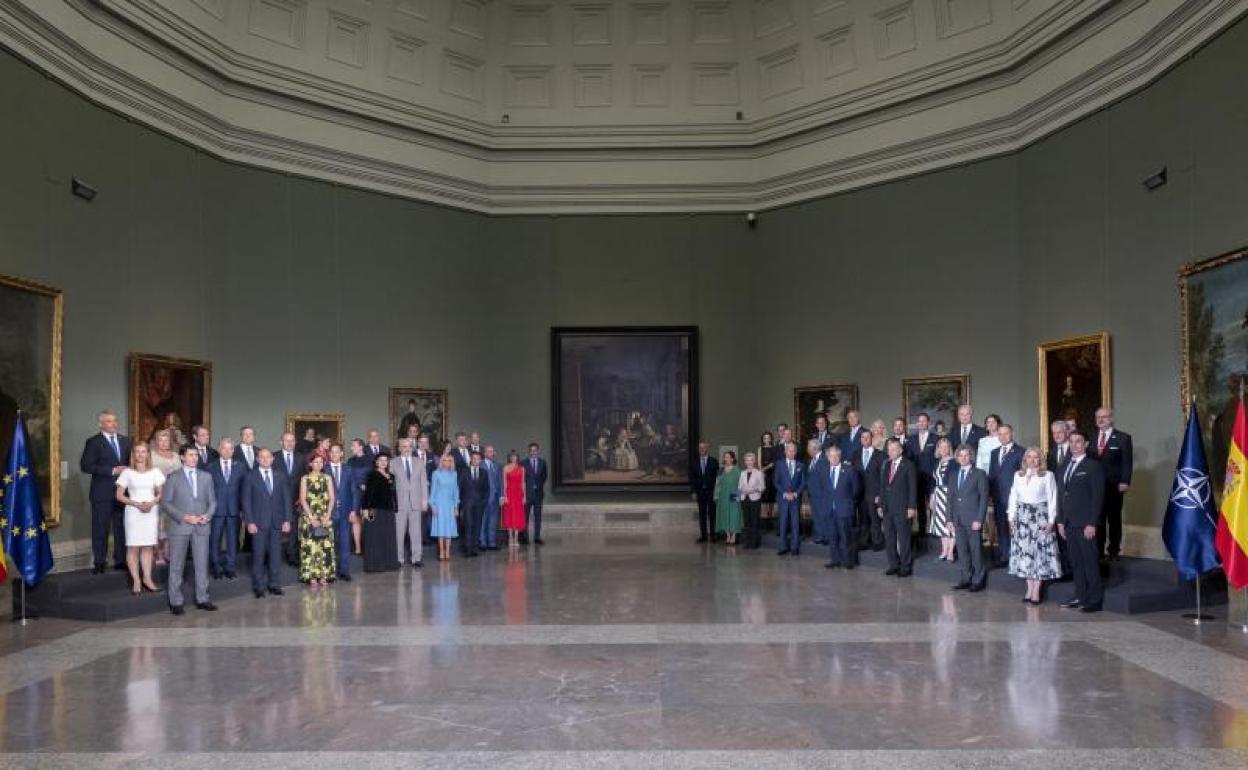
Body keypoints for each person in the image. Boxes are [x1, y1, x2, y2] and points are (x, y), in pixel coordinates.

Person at [161, 445, 217, 614]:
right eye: (191, 455)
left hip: (202, 525)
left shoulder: (206, 476)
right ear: (182, 457)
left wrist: (208, 515)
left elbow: (213, 501)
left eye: (196, 455)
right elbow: (165, 503)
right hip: (180, 526)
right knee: (176, 565)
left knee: (202, 564)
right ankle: (176, 601)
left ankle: (203, 598)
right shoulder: (173, 477)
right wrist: (184, 517)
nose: (194, 458)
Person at [1058, 431, 1105, 612]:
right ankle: (1080, 596)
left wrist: (1092, 523)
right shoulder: (1064, 466)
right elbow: (1061, 495)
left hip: (1085, 524)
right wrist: (1060, 521)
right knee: (1076, 563)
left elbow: (1098, 497)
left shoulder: (1093, 466)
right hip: (1069, 523)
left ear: (1085, 444)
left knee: (1089, 562)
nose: (1074, 445)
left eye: (1078, 442)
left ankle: (1094, 600)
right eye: (1071, 442)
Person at [80, 409, 132, 574]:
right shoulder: (93, 442)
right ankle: (100, 562)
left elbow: (132, 462)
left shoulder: (126, 440)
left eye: (115, 420)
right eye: (109, 421)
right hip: (101, 493)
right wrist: (111, 470)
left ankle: (121, 560)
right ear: (101, 424)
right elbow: (86, 466)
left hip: (123, 493)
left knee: (121, 528)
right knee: (100, 529)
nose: (114, 424)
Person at [1008, 446, 1061, 604]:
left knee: (1038, 554)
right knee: (1025, 554)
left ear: (1040, 459)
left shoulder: (1048, 475)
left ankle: (1036, 591)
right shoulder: (1018, 475)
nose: (1032, 460)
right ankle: (1029, 589)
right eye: (1029, 457)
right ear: (1025, 459)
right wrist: (1011, 517)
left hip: (1040, 517)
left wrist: (1051, 521)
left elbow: (1052, 498)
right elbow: (1013, 496)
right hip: (1022, 518)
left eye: (1035, 457)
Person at [114, 443, 164, 594]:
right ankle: (136, 580)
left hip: (150, 512)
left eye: (143, 452)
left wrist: (151, 503)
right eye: (137, 452)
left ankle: (147, 579)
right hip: (133, 513)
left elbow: (160, 494)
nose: (141, 454)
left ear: (148, 454)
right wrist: (136, 504)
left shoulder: (155, 472)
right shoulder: (127, 472)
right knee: (133, 547)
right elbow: (119, 495)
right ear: (133, 454)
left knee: (148, 546)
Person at [244, 449, 291, 598]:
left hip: (277, 522)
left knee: (275, 556)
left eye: (268, 457)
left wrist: (287, 520)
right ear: (257, 459)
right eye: (262, 457)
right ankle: (258, 587)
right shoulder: (250, 476)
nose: (265, 459)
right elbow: (246, 501)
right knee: (258, 556)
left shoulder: (280, 476)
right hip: (258, 523)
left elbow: (286, 499)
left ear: (272, 459)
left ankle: (274, 585)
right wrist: (249, 522)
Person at [1089, 407, 1133, 561]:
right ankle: (1099, 551)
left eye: (1104, 417)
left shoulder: (1123, 438)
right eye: (1098, 417)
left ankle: (1114, 550)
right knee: (1098, 518)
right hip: (1095, 487)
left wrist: (1125, 481)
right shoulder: (1091, 438)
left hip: (1114, 486)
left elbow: (1127, 462)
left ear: (1111, 419)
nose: (1101, 420)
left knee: (1114, 519)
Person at [947, 444, 990, 592]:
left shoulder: (979, 474)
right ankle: (966, 578)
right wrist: (949, 519)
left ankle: (978, 580)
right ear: (957, 458)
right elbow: (950, 499)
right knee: (962, 551)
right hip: (957, 519)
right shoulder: (953, 475)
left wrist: (979, 519)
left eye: (966, 455)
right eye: (961, 455)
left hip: (973, 519)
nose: (963, 458)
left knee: (975, 550)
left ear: (971, 457)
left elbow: (984, 498)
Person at [205, 438, 245, 580]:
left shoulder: (241, 467)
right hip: (216, 510)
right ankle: (216, 567)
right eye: (224, 448)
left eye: (230, 448)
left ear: (233, 451)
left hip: (234, 510)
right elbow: (207, 491)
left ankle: (230, 568)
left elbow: (244, 490)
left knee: (232, 541)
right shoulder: (210, 467)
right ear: (219, 449)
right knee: (214, 540)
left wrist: (243, 509)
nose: (227, 451)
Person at [988, 423, 1024, 568]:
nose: (1003, 436)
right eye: (1000, 434)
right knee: (1001, 528)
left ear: (1012, 433)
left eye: (1006, 433)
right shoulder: (994, 452)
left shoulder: (1021, 452)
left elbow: (1023, 476)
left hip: (1014, 498)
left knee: (1015, 528)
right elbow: (992, 476)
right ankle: (1005, 556)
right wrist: (990, 495)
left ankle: (1018, 557)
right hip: (998, 498)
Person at [879, 438, 917, 577]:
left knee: (903, 538)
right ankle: (893, 565)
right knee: (889, 538)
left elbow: (913, 487)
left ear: (900, 450)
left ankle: (905, 566)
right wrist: (880, 505)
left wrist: (911, 507)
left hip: (902, 508)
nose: (891, 452)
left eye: (894, 449)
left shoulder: (909, 465)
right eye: (889, 450)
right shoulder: (886, 465)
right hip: (887, 508)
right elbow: (883, 487)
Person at [298, 454, 337, 587]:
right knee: (310, 547)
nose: (318, 464)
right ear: (310, 464)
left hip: (325, 516)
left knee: (325, 547)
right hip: (309, 516)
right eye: (316, 462)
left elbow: (332, 498)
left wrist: (328, 515)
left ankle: (324, 575)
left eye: (321, 462)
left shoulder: (327, 478)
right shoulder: (305, 478)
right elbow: (302, 499)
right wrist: (311, 517)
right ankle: (311, 576)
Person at [821, 445, 859, 570]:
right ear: (828, 457)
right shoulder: (823, 470)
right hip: (829, 510)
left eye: (836, 456)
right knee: (832, 537)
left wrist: (847, 501)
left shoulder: (849, 470)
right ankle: (835, 560)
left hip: (844, 509)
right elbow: (823, 489)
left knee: (845, 537)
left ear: (840, 456)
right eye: (831, 456)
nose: (834, 458)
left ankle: (848, 561)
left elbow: (856, 490)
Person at [360, 453, 399, 572]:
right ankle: (374, 565)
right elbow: (368, 494)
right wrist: (365, 509)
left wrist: (395, 507)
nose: (383, 462)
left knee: (387, 537)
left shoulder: (391, 476)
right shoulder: (372, 474)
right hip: (373, 510)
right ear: (376, 462)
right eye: (380, 460)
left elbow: (393, 493)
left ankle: (388, 564)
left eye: (385, 460)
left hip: (388, 511)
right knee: (374, 537)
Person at [393, 438, 429, 568]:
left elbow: (423, 483)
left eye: (409, 446)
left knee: (416, 532)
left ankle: (416, 558)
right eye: (404, 446)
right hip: (399, 503)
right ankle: (399, 559)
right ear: (399, 448)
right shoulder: (393, 463)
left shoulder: (419, 462)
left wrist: (425, 500)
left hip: (416, 502)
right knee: (399, 532)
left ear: (412, 448)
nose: (407, 449)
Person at [148, 428, 181, 565]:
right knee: (158, 525)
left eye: (166, 440)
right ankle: (158, 554)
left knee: (171, 525)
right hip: (156, 494)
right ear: (156, 442)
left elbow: (181, 475)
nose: (163, 443)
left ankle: (168, 553)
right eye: (160, 440)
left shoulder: (176, 455)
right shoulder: (151, 455)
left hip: (174, 496)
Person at [326, 443, 357, 581]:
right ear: (329, 454)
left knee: (345, 542)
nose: (334, 454)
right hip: (329, 512)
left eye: (337, 451)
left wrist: (353, 510)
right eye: (332, 452)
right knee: (329, 542)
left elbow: (354, 491)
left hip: (346, 511)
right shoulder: (324, 469)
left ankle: (344, 571)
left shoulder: (349, 469)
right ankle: (330, 571)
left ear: (342, 454)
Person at [907, 413, 939, 546]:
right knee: (920, 505)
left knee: (933, 504)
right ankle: (922, 531)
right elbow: (908, 458)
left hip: (932, 476)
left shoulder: (936, 438)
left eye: (924, 421)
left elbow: (938, 458)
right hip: (917, 477)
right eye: (919, 421)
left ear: (928, 423)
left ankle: (934, 530)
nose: (921, 423)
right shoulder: (911, 439)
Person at [275, 431, 306, 566]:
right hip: (276, 501)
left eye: (292, 440)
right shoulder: (273, 457)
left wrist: (301, 497)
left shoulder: (301, 458)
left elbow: (305, 478)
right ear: (281, 442)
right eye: (287, 440)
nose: (289, 443)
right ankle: (274, 557)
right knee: (276, 530)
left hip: (295, 500)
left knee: (293, 530)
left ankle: (292, 556)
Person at [852, 428, 884, 552]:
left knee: (875, 519)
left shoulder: (880, 455)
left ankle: (877, 542)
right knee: (863, 519)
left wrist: (880, 494)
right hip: (860, 494)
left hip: (874, 494)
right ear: (860, 440)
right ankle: (864, 541)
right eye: (863, 437)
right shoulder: (855, 455)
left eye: (867, 437)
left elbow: (883, 477)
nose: (865, 439)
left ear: (872, 439)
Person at [774, 441, 805, 556]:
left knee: (795, 523)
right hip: (783, 498)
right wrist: (785, 493)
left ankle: (794, 547)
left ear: (795, 452)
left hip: (795, 498)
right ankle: (783, 546)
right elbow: (776, 482)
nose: (791, 453)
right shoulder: (779, 464)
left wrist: (796, 493)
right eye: (789, 451)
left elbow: (803, 482)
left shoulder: (800, 465)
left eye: (793, 451)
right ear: (785, 451)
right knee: (783, 522)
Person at [928, 438, 956, 561]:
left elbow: (956, 481)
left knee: (951, 523)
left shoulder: (954, 462)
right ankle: (944, 550)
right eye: (941, 447)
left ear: (949, 448)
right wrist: (932, 496)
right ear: (938, 449)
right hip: (938, 495)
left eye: (946, 447)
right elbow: (933, 482)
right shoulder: (936, 463)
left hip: (950, 495)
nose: (943, 449)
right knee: (940, 524)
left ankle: (951, 551)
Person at [458, 450, 489, 558]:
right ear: (471, 459)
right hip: (467, 504)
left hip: (479, 505)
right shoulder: (464, 472)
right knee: (468, 525)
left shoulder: (484, 472)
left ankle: (474, 549)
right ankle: (467, 549)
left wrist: (484, 502)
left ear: (480, 460)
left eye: (478, 459)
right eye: (474, 458)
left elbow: (487, 490)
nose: (476, 460)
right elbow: (459, 488)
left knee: (477, 526)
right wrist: (461, 504)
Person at [430, 454, 460, 561]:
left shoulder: (454, 474)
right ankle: (442, 551)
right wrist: (433, 506)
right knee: (441, 528)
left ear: (452, 462)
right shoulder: (436, 473)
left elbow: (456, 491)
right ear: (441, 462)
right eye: (445, 460)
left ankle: (448, 551)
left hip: (450, 504)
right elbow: (433, 491)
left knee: (449, 528)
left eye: (449, 460)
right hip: (439, 504)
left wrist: (456, 507)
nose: (447, 462)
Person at [690, 442, 720, 543]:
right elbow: (692, 478)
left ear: (707, 449)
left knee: (712, 514)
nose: (702, 449)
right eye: (700, 448)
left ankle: (713, 535)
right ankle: (703, 536)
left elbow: (717, 478)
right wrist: (693, 492)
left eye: (704, 447)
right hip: (700, 492)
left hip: (711, 492)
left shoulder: (714, 461)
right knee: (702, 514)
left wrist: (717, 491)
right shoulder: (694, 462)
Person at [345, 439, 370, 555]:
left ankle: (369, 548)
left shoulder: (371, 460)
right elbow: (347, 477)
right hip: (354, 494)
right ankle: (358, 548)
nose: (351, 448)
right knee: (355, 520)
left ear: (361, 447)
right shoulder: (350, 461)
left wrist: (367, 485)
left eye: (353, 445)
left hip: (368, 494)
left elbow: (375, 476)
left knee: (369, 520)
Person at [738, 452, 766, 550]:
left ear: (754, 461)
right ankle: (747, 542)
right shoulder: (742, 473)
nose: (749, 462)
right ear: (745, 462)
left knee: (754, 521)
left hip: (755, 499)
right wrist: (743, 490)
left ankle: (755, 542)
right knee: (747, 522)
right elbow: (739, 486)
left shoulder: (759, 473)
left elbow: (762, 487)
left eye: (751, 460)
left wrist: (753, 490)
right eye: (747, 460)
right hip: (744, 499)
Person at [805, 438, 829, 545]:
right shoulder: (812, 460)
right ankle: (820, 536)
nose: (807, 450)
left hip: (822, 495)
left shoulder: (824, 460)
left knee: (823, 516)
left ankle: (826, 537)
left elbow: (826, 478)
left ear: (815, 448)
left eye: (809, 447)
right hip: (813, 494)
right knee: (816, 516)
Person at [714, 451, 742, 544]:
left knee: (734, 515)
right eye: (725, 457)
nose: (726, 459)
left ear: (732, 459)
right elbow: (717, 484)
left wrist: (738, 497)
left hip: (734, 495)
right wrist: (716, 496)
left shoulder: (737, 470)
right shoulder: (721, 470)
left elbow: (740, 485)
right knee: (724, 515)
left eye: (728, 457)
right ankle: (728, 535)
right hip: (723, 495)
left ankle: (734, 535)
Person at [501, 450, 526, 548]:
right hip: (509, 494)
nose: (513, 458)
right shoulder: (505, 468)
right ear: (509, 458)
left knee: (518, 515)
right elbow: (504, 483)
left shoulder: (522, 468)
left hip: (518, 494)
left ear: (517, 457)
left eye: (515, 456)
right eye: (511, 456)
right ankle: (510, 538)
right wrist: (505, 496)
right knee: (509, 515)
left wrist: (524, 496)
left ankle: (516, 538)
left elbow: (523, 483)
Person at [523, 443, 547, 545]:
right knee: (525, 516)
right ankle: (525, 537)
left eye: (535, 450)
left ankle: (537, 537)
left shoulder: (543, 462)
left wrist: (538, 485)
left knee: (538, 516)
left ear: (538, 451)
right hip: (527, 494)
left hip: (538, 494)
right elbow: (522, 479)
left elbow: (544, 476)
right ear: (529, 451)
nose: (533, 452)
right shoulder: (523, 463)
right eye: (531, 450)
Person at [480, 446, 503, 551]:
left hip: (495, 498)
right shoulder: (480, 465)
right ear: (484, 453)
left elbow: (500, 482)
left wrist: (501, 496)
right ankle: (482, 542)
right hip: (484, 498)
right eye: (489, 451)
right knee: (483, 521)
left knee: (493, 521)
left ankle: (492, 543)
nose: (491, 453)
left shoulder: (496, 465)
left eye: (492, 451)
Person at [758, 431, 777, 525]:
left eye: (768, 438)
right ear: (763, 439)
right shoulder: (760, 448)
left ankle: (771, 515)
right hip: (763, 474)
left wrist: (766, 468)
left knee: (771, 495)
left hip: (773, 473)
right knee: (764, 494)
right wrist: (763, 470)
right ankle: (765, 517)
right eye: (765, 438)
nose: (766, 439)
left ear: (771, 439)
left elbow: (774, 463)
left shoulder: (774, 448)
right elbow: (759, 463)